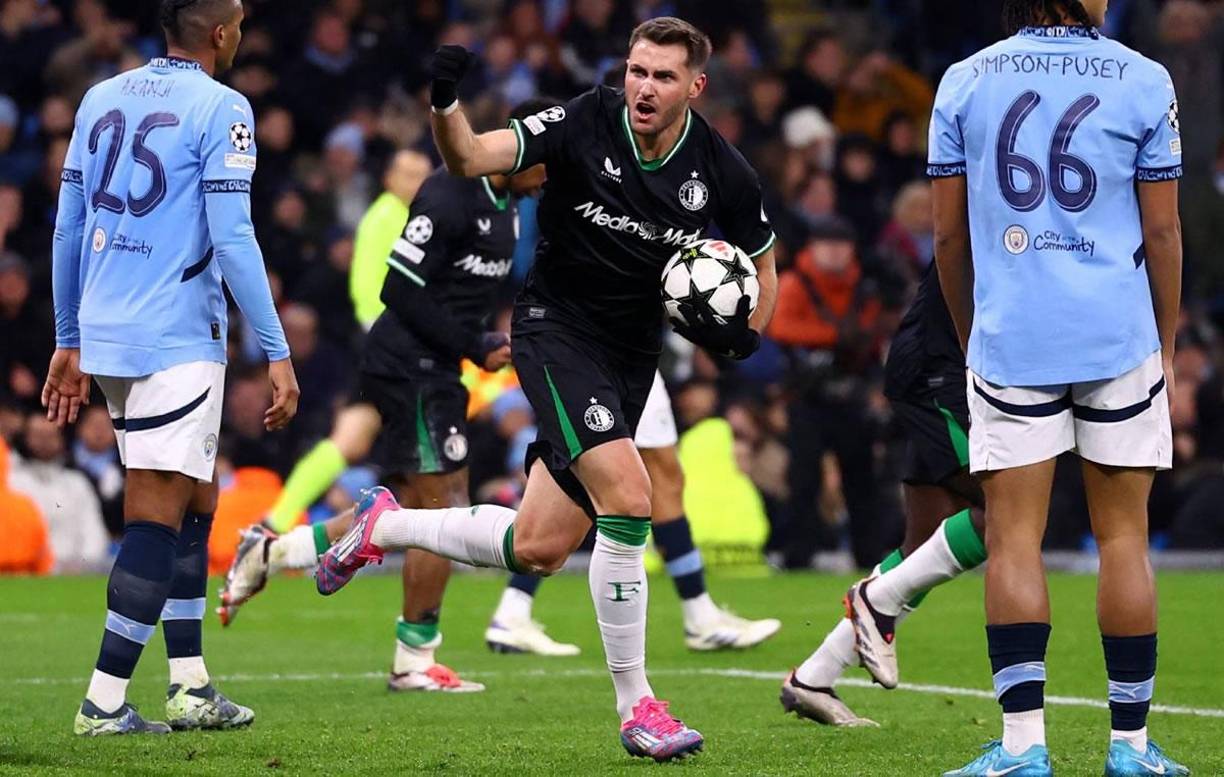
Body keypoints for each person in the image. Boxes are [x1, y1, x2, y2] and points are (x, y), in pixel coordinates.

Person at [317, 17, 777, 762]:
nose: (644, 87)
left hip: (631, 357)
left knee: (537, 547)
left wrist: (747, 332)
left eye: (663, 76)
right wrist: (444, 103)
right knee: (630, 494)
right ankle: (639, 707)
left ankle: (385, 527)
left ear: (695, 86)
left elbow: (763, 260)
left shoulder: (722, 169)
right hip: (556, 331)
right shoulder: (582, 120)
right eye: (636, 70)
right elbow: (470, 156)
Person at [219, 98, 555, 691]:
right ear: (520, 145)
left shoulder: (509, 205)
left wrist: (484, 341)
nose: (552, 176)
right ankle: (414, 659)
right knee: (444, 511)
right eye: (549, 161)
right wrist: (473, 343)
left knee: (406, 511)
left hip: (437, 366)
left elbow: (458, 295)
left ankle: (271, 552)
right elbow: (397, 288)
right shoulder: (451, 191)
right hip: (409, 365)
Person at [931, 2, 1187, 775]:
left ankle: (1021, 746)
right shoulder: (1145, 79)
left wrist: (972, 330)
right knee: (1124, 536)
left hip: (1013, 336)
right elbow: (1164, 232)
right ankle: (1131, 747)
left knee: (1013, 536)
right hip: (1118, 337)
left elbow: (947, 236)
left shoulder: (965, 79)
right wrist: (1166, 341)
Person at [44, 0, 299, 736]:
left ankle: (189, 684)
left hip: (108, 329)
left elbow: (69, 225)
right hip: (174, 336)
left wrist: (69, 335)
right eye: (239, 21)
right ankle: (103, 702)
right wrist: (277, 349)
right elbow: (234, 238)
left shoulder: (101, 96)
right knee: (156, 513)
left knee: (195, 498)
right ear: (220, 33)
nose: (242, 31)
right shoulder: (225, 108)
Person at [780, 261, 987, 726]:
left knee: (925, 546)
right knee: (1008, 513)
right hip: (949, 368)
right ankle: (875, 601)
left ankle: (814, 676)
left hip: (958, 364)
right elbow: (951, 242)